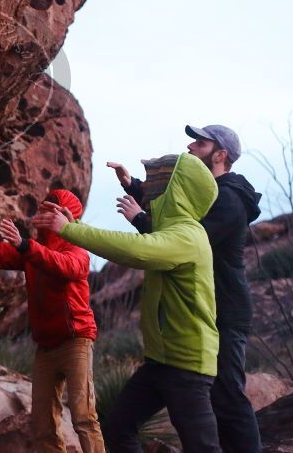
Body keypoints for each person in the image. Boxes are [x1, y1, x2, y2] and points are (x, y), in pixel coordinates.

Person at [34, 153, 220, 453]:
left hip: (187, 365)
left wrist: (70, 230)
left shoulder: (188, 236)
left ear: (177, 193)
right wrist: (74, 224)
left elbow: (135, 250)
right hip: (161, 362)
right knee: (119, 430)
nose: (153, 189)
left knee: (202, 448)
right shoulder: (170, 232)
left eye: (161, 183)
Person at [107, 124, 262, 453]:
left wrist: (140, 221)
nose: (190, 147)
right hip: (203, 311)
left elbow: (185, 239)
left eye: (201, 143)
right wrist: (133, 185)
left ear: (220, 155)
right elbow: (176, 211)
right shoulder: (211, 194)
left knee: (226, 396)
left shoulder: (230, 199)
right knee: (211, 397)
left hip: (225, 312)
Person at [0, 191, 105, 453]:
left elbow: (65, 266)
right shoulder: (31, 250)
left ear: (66, 216)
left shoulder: (76, 250)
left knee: (83, 416)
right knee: (42, 424)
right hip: (46, 347)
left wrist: (25, 246)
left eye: (53, 209)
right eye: (44, 207)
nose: (44, 213)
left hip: (76, 341)